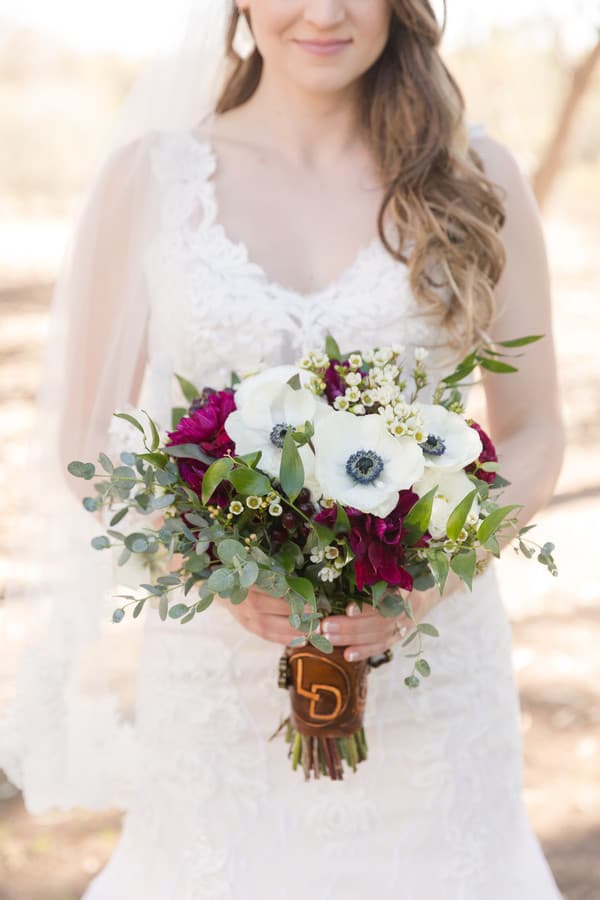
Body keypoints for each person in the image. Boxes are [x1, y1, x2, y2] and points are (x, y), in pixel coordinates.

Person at [0, 1, 565, 898]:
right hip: (217, 688)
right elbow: (85, 438)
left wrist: (431, 578)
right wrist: (207, 566)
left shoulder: (475, 175)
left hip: (436, 674)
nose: (326, 13)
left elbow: (534, 431)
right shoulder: (149, 180)